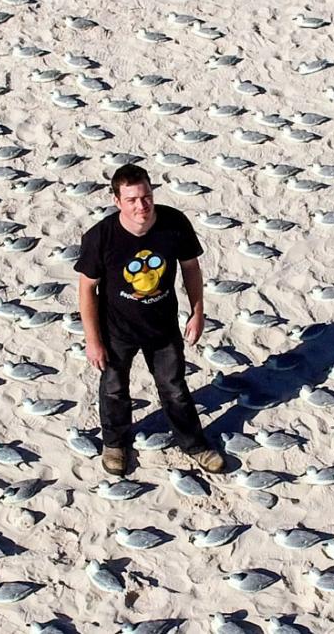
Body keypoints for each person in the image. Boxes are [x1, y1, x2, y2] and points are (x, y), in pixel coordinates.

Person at [74, 163, 224, 476]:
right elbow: (87, 289)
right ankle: (115, 444)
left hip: (163, 327)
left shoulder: (174, 223)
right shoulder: (100, 237)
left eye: (146, 197)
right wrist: (93, 340)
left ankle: (194, 444)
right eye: (131, 200)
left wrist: (197, 312)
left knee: (174, 389)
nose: (141, 206)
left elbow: (191, 268)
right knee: (114, 390)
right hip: (116, 330)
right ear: (117, 201)